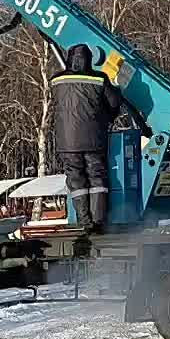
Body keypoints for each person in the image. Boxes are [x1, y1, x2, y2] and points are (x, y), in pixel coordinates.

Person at [52, 44, 123, 234]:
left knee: (76, 180)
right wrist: (107, 117)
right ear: (90, 59)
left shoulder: (57, 80)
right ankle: (99, 220)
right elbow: (114, 103)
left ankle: (85, 221)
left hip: (67, 142)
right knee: (96, 176)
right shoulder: (99, 79)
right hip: (94, 139)